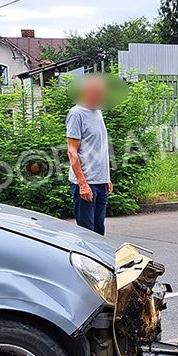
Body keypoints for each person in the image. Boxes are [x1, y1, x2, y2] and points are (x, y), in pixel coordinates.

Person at [66, 74, 112, 236]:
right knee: (87, 234)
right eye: (99, 93)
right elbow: (72, 151)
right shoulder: (76, 114)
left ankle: (100, 262)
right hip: (86, 183)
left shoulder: (98, 112)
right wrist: (82, 184)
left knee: (99, 230)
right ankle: (83, 262)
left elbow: (99, 146)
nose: (102, 97)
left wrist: (106, 178)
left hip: (100, 182)